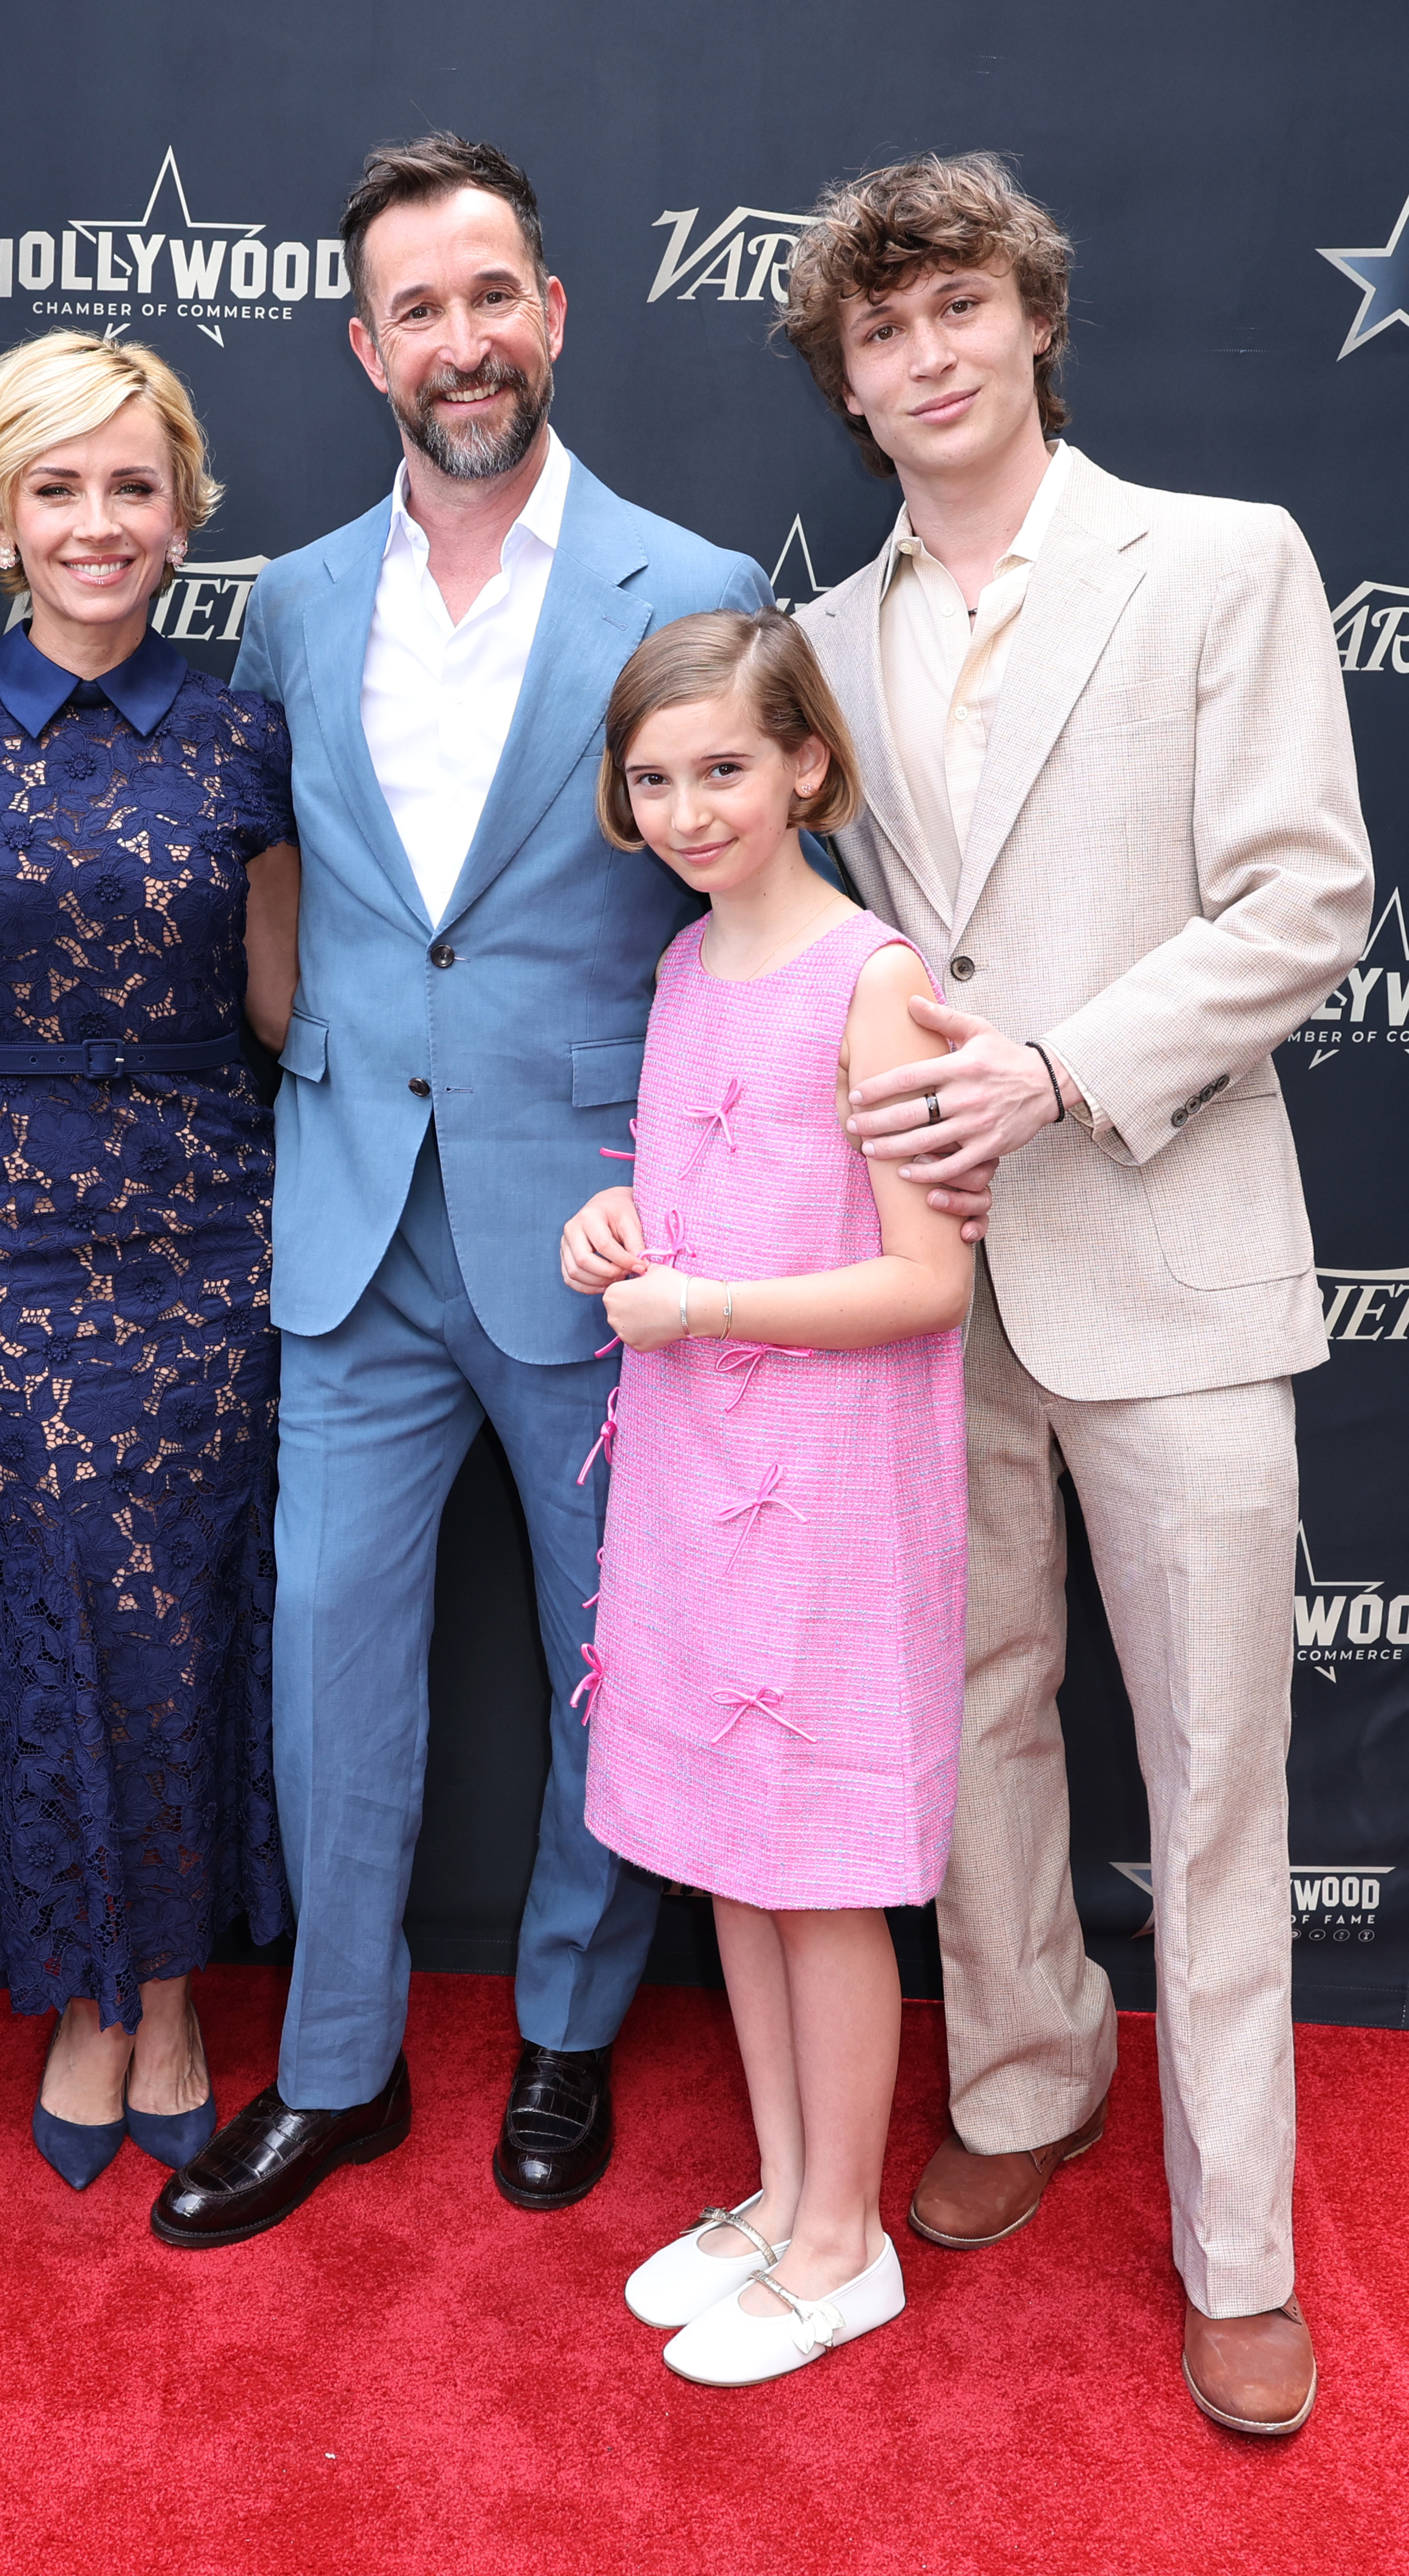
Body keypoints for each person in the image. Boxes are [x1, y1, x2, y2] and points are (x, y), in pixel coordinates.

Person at [0, 138, 989, 2242]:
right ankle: (337, 2063)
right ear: (364, 345)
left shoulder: (679, 586)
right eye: (416, 307)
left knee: (618, 1654)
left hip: (603, 1228)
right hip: (334, 1217)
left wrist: (898, 1057)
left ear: (553, 314)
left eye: (492, 294)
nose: (460, 339)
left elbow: (772, 886)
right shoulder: (290, 604)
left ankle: (571, 2029)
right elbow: (264, 916)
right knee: (324, 1653)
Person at [781, 153, 1371, 2435]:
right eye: (877, 332)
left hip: (1164, 1241)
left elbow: (1301, 899)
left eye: (954, 312)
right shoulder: (818, 642)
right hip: (928, 1272)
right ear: (843, 381)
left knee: (1218, 1768)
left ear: (1030, 320)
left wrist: (1054, 1067)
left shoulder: (1216, 560)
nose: (922, 356)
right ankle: (1018, 2075)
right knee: (971, 1716)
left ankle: (1236, 2241)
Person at [0, 332, 297, 2190]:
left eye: (132, 485)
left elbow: (289, 1004)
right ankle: (83, 1991)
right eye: (56, 487)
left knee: (179, 1599)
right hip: (2, 1225)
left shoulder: (244, 737)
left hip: (208, 1221)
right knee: (53, 1578)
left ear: (185, 508)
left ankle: (172, 1984)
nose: (97, 522)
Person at [561, 609, 969, 2386]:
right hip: (691, 1466)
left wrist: (713, 1303)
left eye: (724, 767)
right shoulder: (677, 971)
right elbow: (685, 1209)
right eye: (654, 779)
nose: (687, 808)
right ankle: (784, 2183)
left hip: (831, 1492)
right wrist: (614, 1231)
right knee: (731, 1855)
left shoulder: (873, 978)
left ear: (808, 762)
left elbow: (927, 1279)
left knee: (819, 1871)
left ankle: (844, 2237)